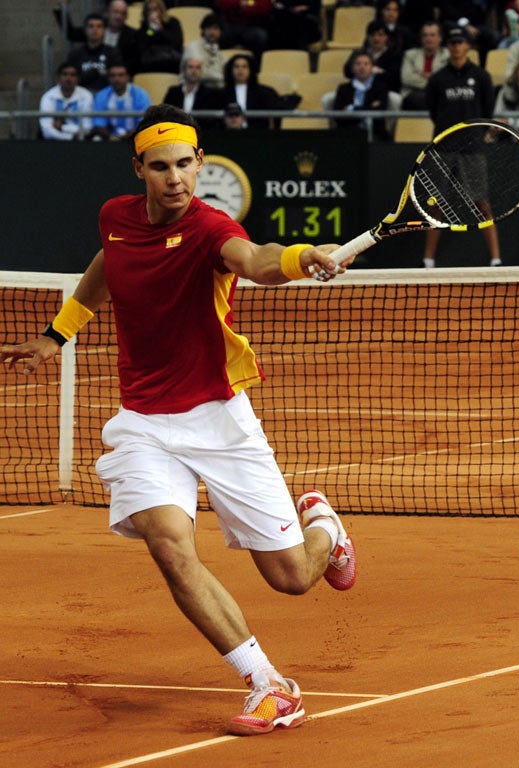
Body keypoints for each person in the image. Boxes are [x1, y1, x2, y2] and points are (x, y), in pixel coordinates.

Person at [1, 103, 358, 736]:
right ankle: (270, 685)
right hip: (143, 421)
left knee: (293, 578)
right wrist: (58, 335)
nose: (175, 179)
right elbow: (107, 267)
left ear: (200, 164)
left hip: (219, 420)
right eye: (160, 166)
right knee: (170, 546)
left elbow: (256, 260)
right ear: (138, 168)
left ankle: (324, 528)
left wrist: (302, 257)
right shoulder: (116, 218)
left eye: (185, 165)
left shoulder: (209, 227)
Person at [423, 25, 500, 267]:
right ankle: (428, 260)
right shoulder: (437, 80)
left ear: (468, 46)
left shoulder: (481, 77)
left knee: (481, 203)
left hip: (473, 147)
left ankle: (496, 258)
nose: (457, 47)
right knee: (437, 203)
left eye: (461, 42)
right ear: (448, 46)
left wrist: (474, 134)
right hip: (444, 147)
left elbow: (487, 111)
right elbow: (434, 112)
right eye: (453, 42)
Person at [332, 50, 393, 140]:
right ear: (352, 68)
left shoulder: (380, 88)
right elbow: (338, 116)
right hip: (347, 134)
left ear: (372, 67)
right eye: (358, 64)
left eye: (366, 64)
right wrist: (369, 108)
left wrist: (351, 109)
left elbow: (379, 113)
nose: (362, 67)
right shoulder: (343, 89)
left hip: (376, 135)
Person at [217, 52, 285, 129]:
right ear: (231, 70)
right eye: (236, 66)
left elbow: (278, 111)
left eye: (244, 67)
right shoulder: (221, 94)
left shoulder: (264, 93)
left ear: (250, 70)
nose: (240, 69)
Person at [90, 63, 152, 141]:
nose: (116, 79)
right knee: (96, 139)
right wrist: (111, 137)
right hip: (109, 139)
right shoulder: (102, 95)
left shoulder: (140, 94)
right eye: (113, 75)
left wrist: (127, 137)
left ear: (127, 77)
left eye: (120, 75)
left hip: (135, 138)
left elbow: (144, 122)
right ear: (108, 78)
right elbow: (99, 124)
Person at [67, 13, 124, 93]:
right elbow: (73, 79)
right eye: (91, 26)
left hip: (107, 96)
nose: (95, 29)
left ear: (104, 30)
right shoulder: (75, 54)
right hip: (81, 96)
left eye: (99, 26)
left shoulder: (112, 53)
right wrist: (100, 72)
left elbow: (115, 78)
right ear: (85, 30)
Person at [400, 20, 450, 110]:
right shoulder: (410, 55)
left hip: (440, 94)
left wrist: (423, 76)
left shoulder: (447, 55)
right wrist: (433, 80)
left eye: (432, 35)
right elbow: (407, 78)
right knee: (423, 98)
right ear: (421, 38)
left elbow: (447, 79)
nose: (428, 38)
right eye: (425, 35)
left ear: (440, 38)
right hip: (413, 93)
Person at [163, 56, 222, 131]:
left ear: (201, 72)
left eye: (198, 68)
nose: (194, 71)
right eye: (190, 67)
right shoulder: (173, 92)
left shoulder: (210, 94)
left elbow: (211, 121)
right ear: (184, 70)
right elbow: (165, 115)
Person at [39, 62, 94, 141]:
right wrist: (70, 137)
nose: (68, 78)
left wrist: (62, 127)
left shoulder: (86, 96)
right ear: (59, 77)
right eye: (64, 74)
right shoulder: (48, 97)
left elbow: (87, 128)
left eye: (72, 75)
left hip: (80, 142)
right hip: (54, 142)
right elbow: (46, 131)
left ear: (78, 78)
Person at [136, 0, 184, 74]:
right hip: (151, 62)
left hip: (171, 60)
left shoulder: (172, 22)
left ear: (162, 10)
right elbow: (142, 46)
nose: (153, 13)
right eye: (149, 10)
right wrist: (151, 30)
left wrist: (160, 29)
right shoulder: (145, 28)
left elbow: (175, 43)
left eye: (155, 9)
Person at [182, 12, 228, 88]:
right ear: (203, 30)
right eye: (208, 28)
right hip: (191, 89)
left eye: (215, 28)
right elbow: (197, 73)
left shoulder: (222, 56)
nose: (212, 32)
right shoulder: (193, 47)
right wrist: (220, 77)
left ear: (221, 32)